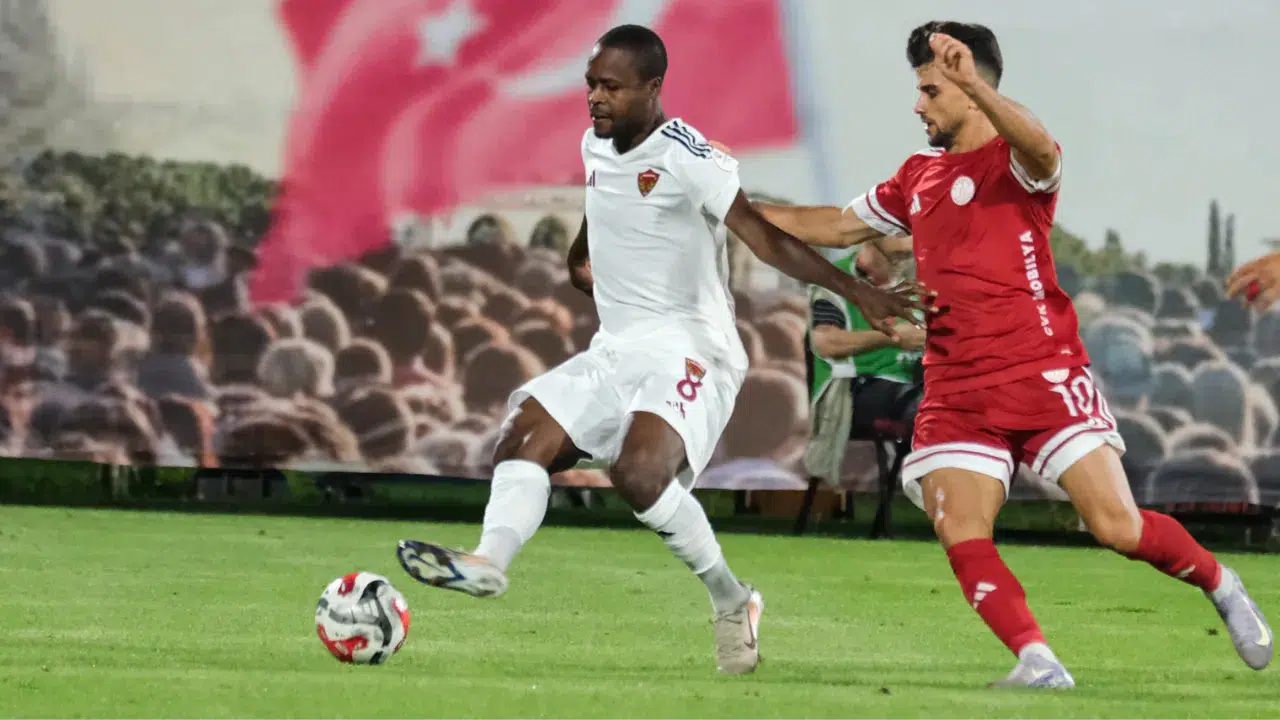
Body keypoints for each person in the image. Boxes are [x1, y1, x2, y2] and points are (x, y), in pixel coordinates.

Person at [395, 24, 926, 675]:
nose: (596, 97)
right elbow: (603, 200)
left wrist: (855, 289)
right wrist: (579, 257)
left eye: (611, 87)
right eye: (591, 84)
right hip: (617, 348)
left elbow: (763, 238)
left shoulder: (688, 157)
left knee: (640, 474)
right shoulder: (595, 141)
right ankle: (489, 563)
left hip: (694, 350)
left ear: (652, 88)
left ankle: (732, 599)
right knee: (522, 436)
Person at [756, 21, 1271, 688]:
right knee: (960, 526)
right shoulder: (917, 175)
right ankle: (1036, 658)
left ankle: (1221, 582)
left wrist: (974, 82)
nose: (918, 105)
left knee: (1116, 527)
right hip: (956, 389)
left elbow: (1043, 148)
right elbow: (832, 225)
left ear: (972, 89)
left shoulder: (1017, 162)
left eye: (931, 90)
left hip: (1041, 373)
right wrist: (734, 205)